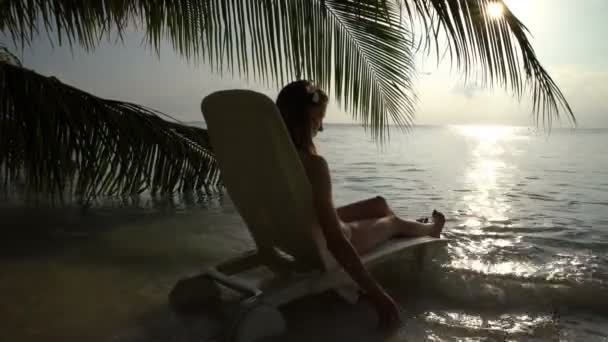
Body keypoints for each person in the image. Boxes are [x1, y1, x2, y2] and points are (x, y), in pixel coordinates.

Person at [276, 80, 446, 330]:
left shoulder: (273, 161)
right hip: (330, 242)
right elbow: (335, 241)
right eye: (317, 120)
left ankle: (410, 227)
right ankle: (430, 229)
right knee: (392, 223)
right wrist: (380, 298)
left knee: (379, 204)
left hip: (300, 232)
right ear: (303, 119)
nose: (321, 128)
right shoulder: (314, 165)